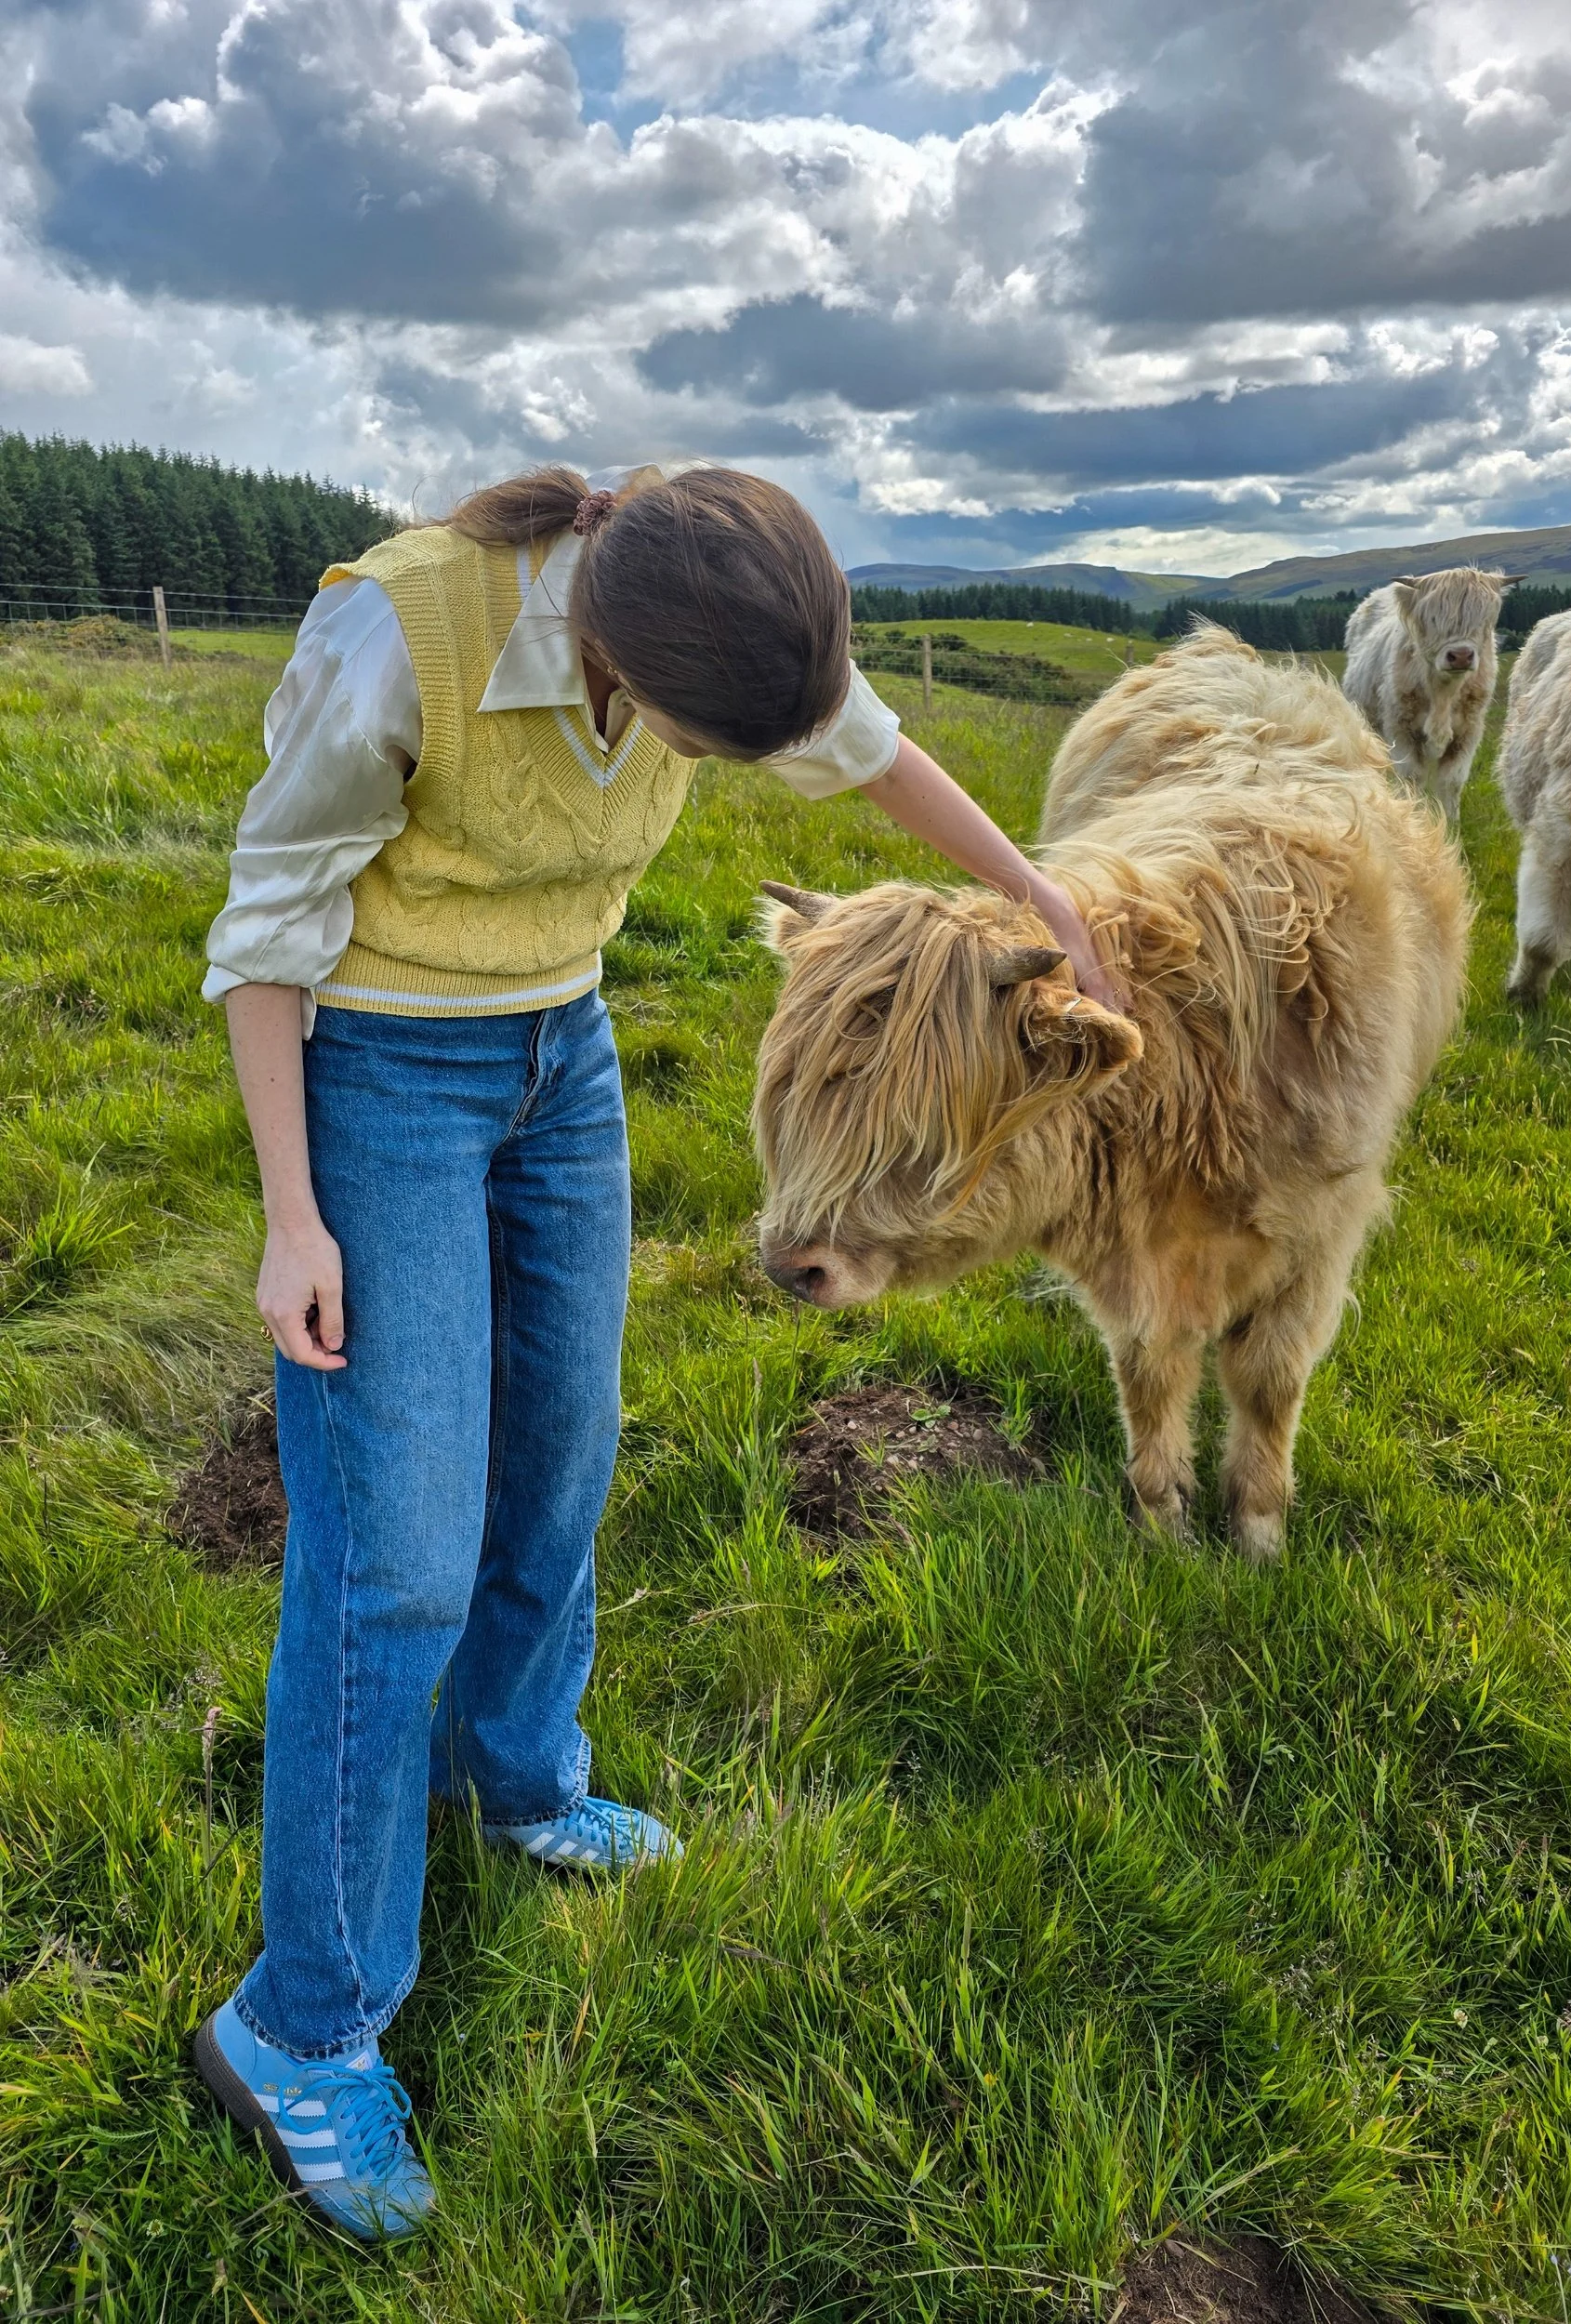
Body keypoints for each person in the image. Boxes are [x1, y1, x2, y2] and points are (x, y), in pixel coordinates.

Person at [194, 463, 1125, 2241]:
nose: (732, 764)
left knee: (564, 1449)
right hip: (377, 1068)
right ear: (624, 658)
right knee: (394, 1557)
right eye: (714, 745)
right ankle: (298, 2026)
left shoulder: (717, 608)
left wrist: (1042, 901)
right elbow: (266, 928)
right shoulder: (398, 632)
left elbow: (865, 751)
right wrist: (292, 1217)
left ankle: (515, 1777)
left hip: (564, 1058)